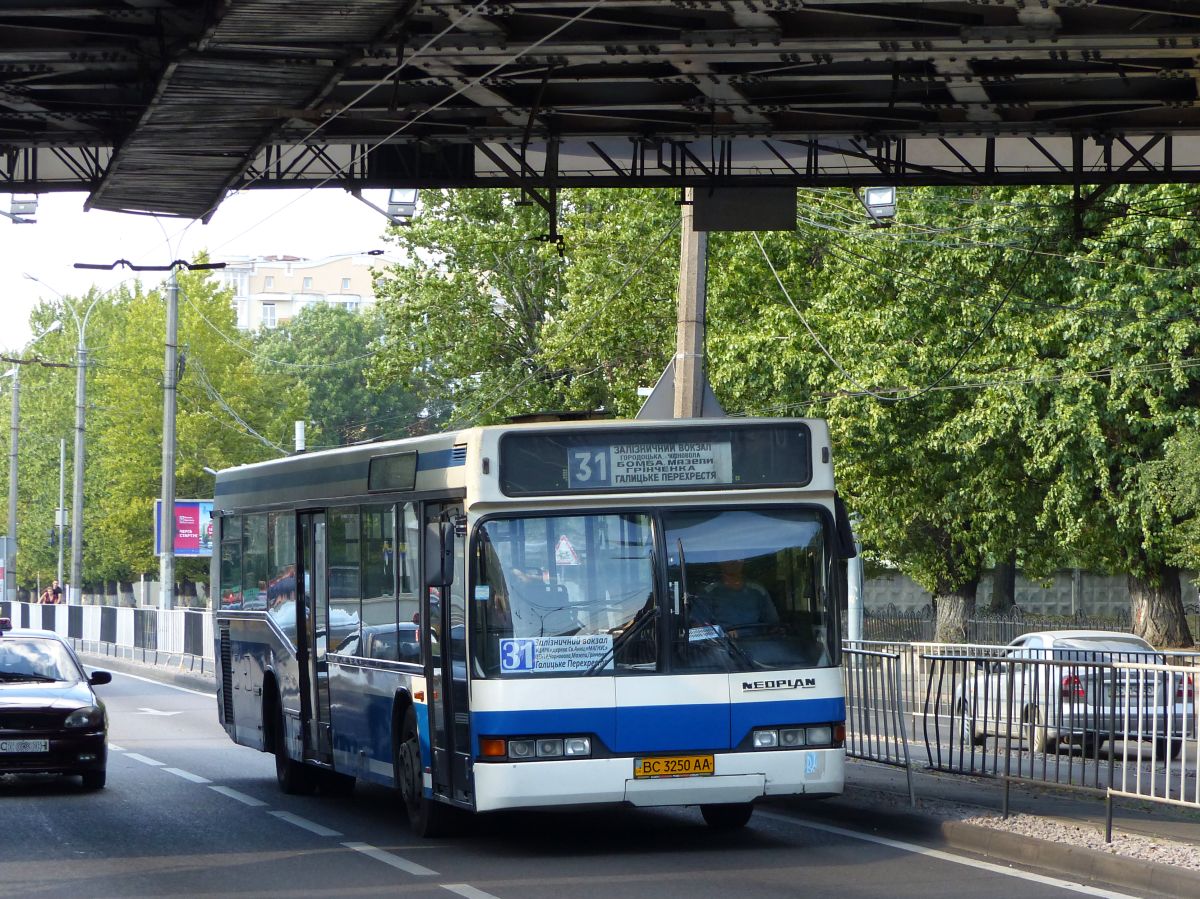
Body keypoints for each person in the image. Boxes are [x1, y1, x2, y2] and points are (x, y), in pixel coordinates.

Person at [698, 559, 778, 631]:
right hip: (722, 645)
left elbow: (773, 624)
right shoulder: (708, 592)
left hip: (758, 644)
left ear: (743, 560)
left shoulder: (758, 591)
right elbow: (698, 626)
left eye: (738, 557)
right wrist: (722, 634)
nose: (733, 561)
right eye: (728, 556)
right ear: (720, 561)